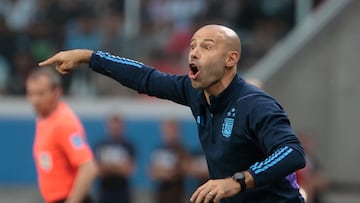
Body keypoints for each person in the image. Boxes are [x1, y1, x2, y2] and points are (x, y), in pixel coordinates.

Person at [39, 24, 306, 203]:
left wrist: (238, 181)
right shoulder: (195, 93)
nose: (195, 52)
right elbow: (146, 77)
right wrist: (89, 56)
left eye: (207, 46)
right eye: (193, 46)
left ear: (231, 59)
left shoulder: (255, 104)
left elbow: (292, 152)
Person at [26, 68, 97, 203]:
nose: (35, 100)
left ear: (57, 92)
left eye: (41, 94)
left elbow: (88, 168)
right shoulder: (44, 119)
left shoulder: (63, 123)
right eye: (31, 94)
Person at [95, 114, 136, 203]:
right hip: (105, 194)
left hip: (122, 194)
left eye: (117, 127)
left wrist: (108, 167)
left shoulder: (128, 146)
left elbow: (129, 170)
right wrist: (119, 167)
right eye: (113, 127)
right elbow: (98, 170)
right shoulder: (101, 146)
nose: (115, 130)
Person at [149, 119, 188, 203]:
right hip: (160, 194)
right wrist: (166, 172)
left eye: (172, 129)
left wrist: (163, 172)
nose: (169, 133)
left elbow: (182, 170)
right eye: (167, 129)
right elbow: (151, 172)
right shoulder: (158, 149)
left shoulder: (181, 150)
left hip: (175, 195)